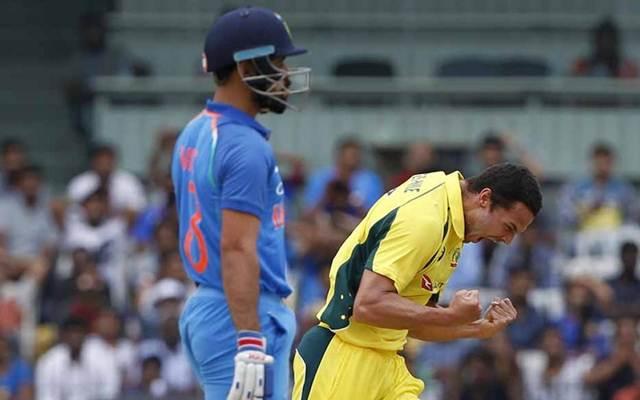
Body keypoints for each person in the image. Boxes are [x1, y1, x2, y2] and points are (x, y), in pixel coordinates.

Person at [293, 163, 543, 400]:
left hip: (387, 361)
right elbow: (368, 306)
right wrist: (451, 316)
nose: (507, 240)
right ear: (485, 198)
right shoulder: (425, 220)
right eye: (508, 227)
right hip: (343, 359)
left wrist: (477, 329)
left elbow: (409, 319)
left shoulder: (451, 215)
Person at [171, 6, 310, 400]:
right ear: (247, 68)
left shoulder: (194, 131)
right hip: (240, 316)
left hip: (213, 305)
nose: (285, 75)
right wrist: (249, 337)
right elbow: (235, 245)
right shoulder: (245, 145)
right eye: (279, 61)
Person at [559, 142, 636, 232]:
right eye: (599, 163)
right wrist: (586, 212)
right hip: (583, 235)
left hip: (615, 237)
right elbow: (564, 217)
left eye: (607, 163)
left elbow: (634, 216)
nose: (603, 167)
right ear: (592, 162)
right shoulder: (575, 187)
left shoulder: (624, 189)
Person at [303, 138, 384, 211]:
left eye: (355, 155)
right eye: (350, 155)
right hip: (323, 224)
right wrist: (327, 196)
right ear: (339, 156)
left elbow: (375, 215)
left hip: (355, 224)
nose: (353, 159)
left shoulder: (370, 180)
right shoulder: (320, 177)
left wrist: (352, 200)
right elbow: (308, 212)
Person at [572, 18, 638, 78]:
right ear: (595, 41)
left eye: (609, 40)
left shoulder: (628, 68)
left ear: (616, 42)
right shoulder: (581, 66)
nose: (606, 44)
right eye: (602, 39)